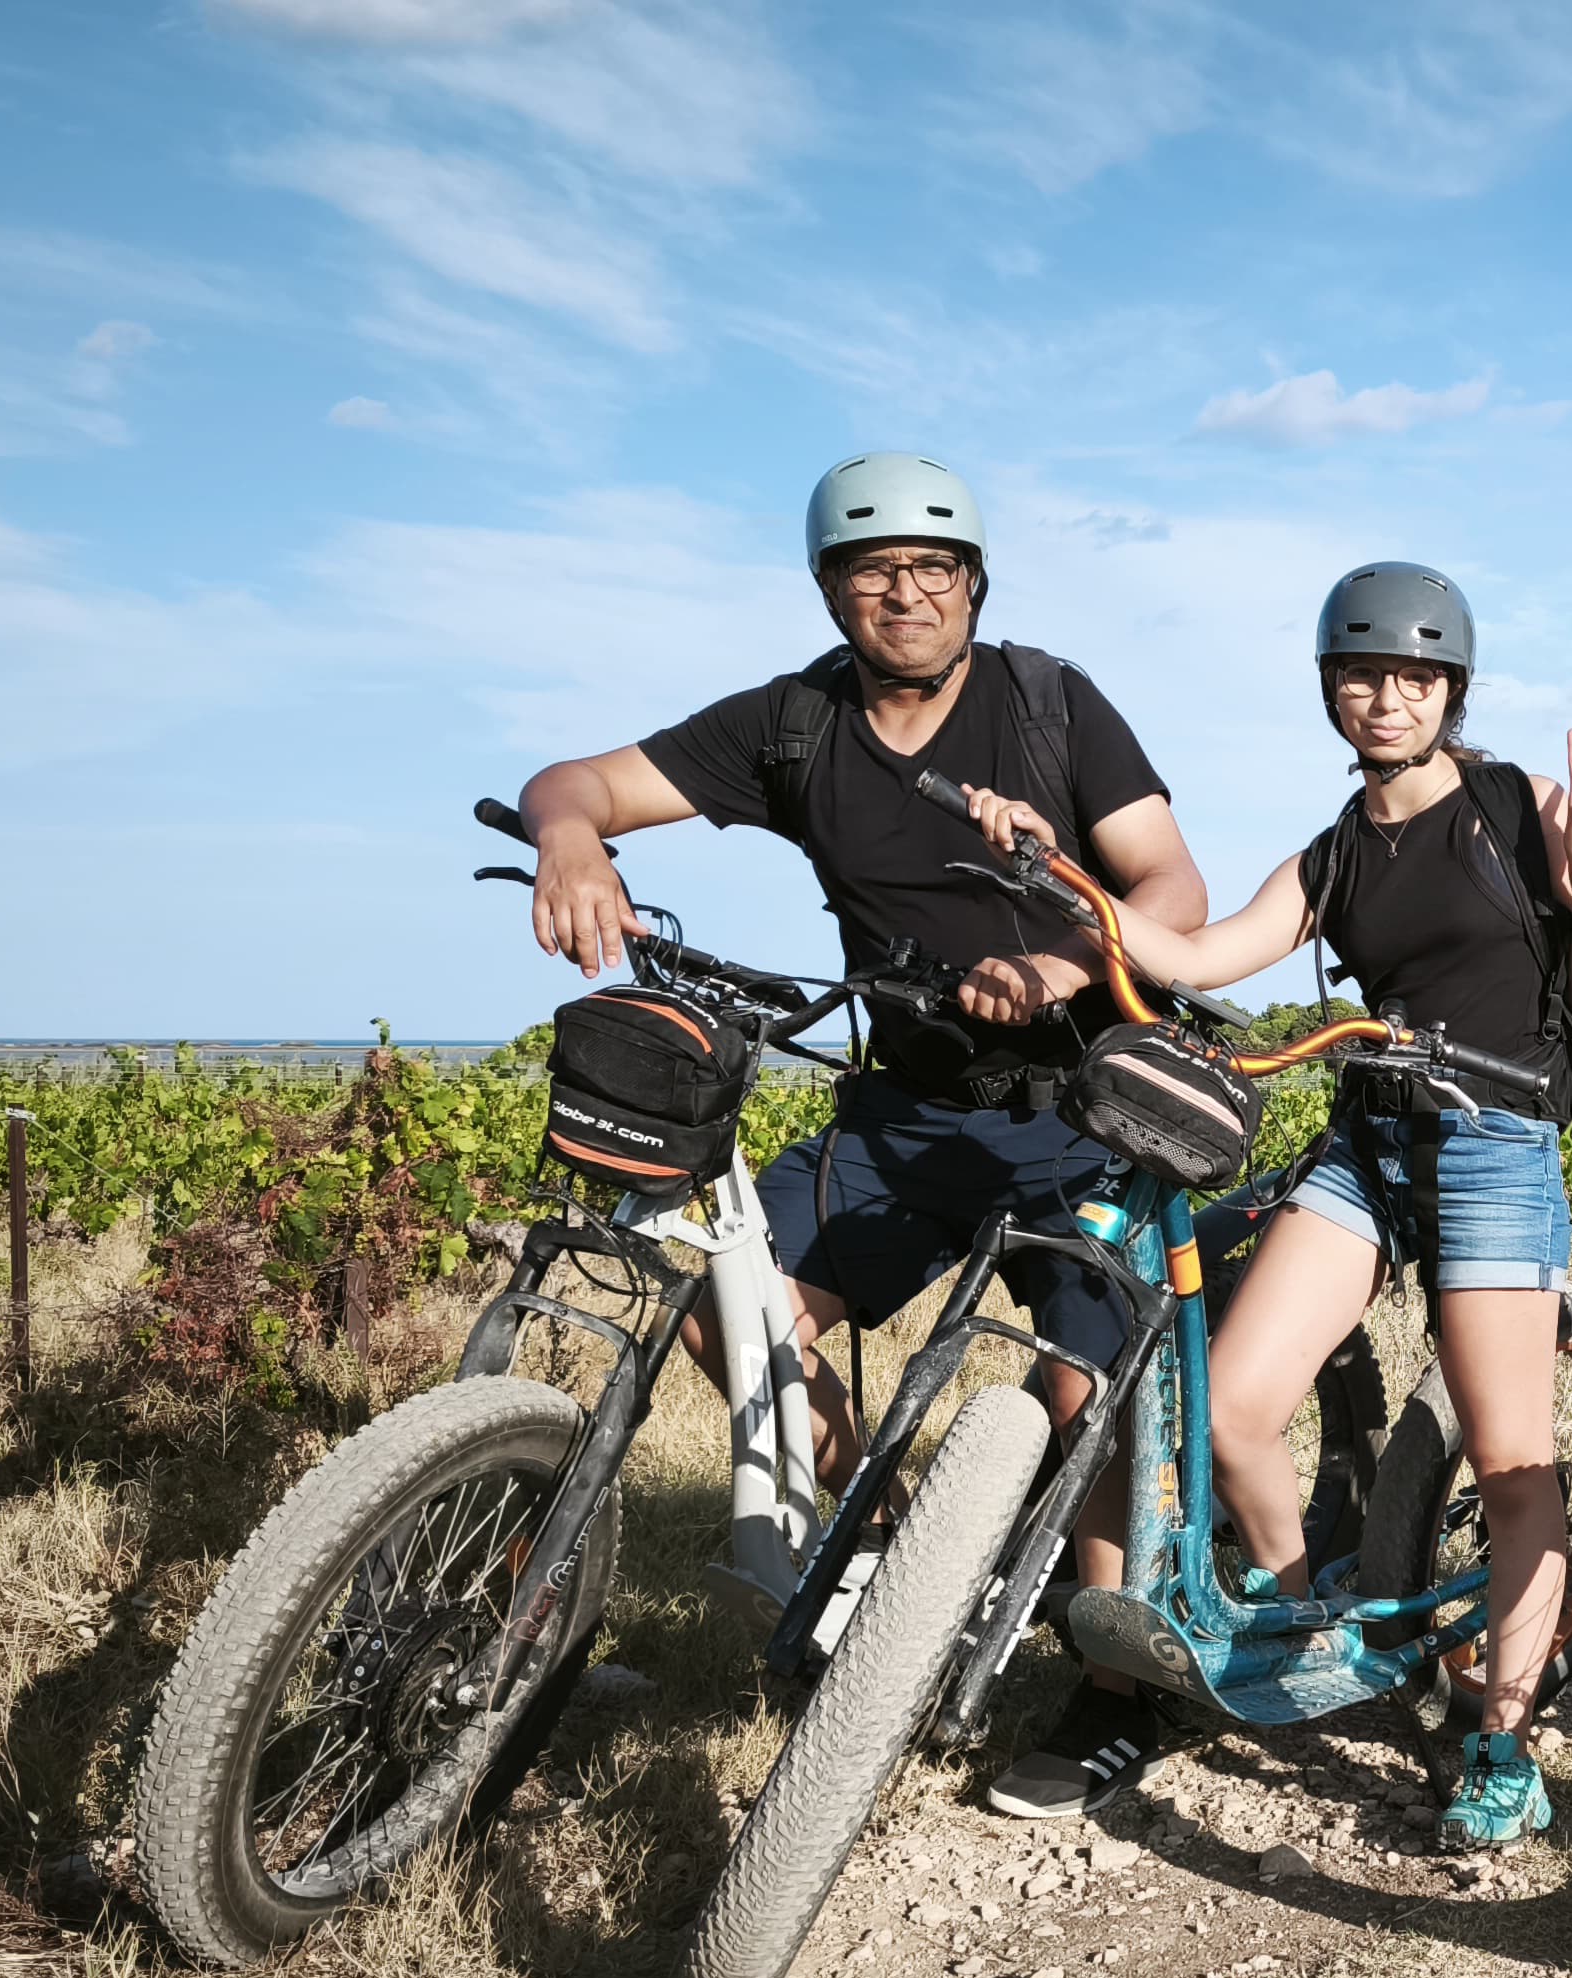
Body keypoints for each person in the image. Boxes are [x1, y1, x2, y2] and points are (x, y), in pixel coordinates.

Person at [513, 451, 1211, 1747]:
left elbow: (1174, 891)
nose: (904, 593)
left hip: (1082, 1115)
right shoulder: (796, 725)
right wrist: (570, 840)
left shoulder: (1052, 706)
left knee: (1085, 1400)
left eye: (931, 567)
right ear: (832, 590)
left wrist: (1062, 962)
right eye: (873, 568)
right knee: (735, 1310)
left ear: (974, 585)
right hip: (901, 1117)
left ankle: (1118, 1693)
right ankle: (885, 1553)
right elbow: (581, 783)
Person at [959, 561, 1572, 1851]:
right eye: (1363, 675)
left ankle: (1501, 1732)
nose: (1387, 699)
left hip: (1495, 1145)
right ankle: (1294, 1608)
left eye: (1415, 678)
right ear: (1332, 688)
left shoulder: (1513, 806)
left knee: (1508, 1460)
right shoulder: (1329, 857)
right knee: (1227, 1411)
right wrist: (1064, 880)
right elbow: (1198, 954)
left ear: (1453, 691)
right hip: (1367, 1142)